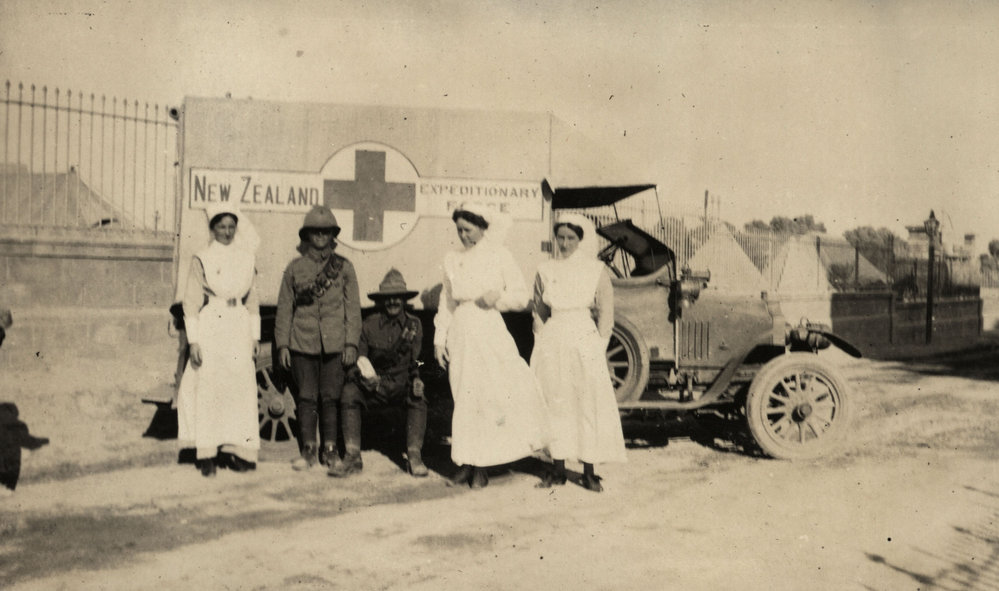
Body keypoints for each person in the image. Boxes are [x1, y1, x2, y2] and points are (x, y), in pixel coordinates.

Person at [434, 202, 548, 489]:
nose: (462, 235)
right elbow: (446, 302)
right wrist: (439, 338)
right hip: (461, 330)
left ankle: (483, 466)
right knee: (463, 396)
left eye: (468, 230)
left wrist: (495, 298)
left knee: (486, 397)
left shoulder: (500, 255)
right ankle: (466, 463)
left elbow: (522, 297)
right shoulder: (451, 259)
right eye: (459, 230)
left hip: (488, 330)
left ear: (483, 228)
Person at [531, 212, 626, 492]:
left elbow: (606, 314)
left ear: (580, 239)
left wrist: (599, 345)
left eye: (571, 237)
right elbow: (538, 309)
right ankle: (558, 468)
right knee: (556, 401)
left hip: (584, 340)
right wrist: (540, 338)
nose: (564, 243)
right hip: (553, 339)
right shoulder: (545, 269)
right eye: (560, 237)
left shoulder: (595, 270)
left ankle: (588, 470)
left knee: (587, 403)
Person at [275, 206, 362, 475]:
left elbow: (353, 309)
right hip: (303, 342)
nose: (321, 236)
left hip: (335, 344)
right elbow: (285, 309)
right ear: (307, 235)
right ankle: (309, 449)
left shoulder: (344, 268)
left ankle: (330, 450)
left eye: (326, 232)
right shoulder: (294, 268)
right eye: (316, 232)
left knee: (330, 397)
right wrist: (283, 345)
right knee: (306, 397)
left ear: (333, 235)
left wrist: (350, 344)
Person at [176, 204, 261, 477]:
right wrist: (194, 341)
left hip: (239, 326)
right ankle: (207, 454)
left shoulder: (247, 257)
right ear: (212, 229)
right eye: (221, 227)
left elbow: (253, 300)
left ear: (237, 228)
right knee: (210, 388)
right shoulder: (203, 257)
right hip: (213, 323)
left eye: (231, 226)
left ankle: (236, 450)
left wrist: (255, 335)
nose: (226, 232)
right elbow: (191, 303)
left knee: (239, 390)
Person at [341, 269, 429, 477]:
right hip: (375, 387)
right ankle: (353, 455)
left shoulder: (414, 324)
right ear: (382, 301)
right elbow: (358, 362)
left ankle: (414, 455)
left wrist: (418, 378)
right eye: (388, 298)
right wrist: (364, 380)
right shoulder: (369, 324)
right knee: (349, 393)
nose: (392, 302)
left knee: (419, 398)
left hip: (401, 384)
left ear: (404, 299)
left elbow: (419, 359)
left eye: (397, 297)